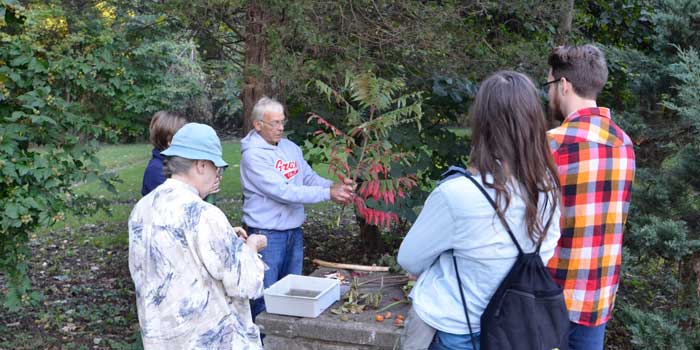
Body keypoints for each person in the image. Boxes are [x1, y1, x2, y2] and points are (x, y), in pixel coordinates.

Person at [397, 71, 562, 350]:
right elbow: (547, 247)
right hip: (516, 329)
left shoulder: (457, 194)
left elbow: (409, 260)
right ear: (534, 121)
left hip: (458, 330)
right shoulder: (548, 188)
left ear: (482, 124)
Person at [128, 122, 268, 349]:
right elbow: (245, 284)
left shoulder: (142, 209)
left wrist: (226, 238)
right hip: (208, 339)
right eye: (217, 169)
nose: (217, 176)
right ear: (201, 165)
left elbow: (169, 255)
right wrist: (251, 247)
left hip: (162, 338)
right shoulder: (205, 215)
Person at [544, 44, 636, 350]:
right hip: (598, 296)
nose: (549, 95)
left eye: (549, 85)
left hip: (549, 295)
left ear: (564, 85)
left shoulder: (552, 144)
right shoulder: (624, 143)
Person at [240, 96, 354, 318]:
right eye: (275, 123)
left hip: (293, 233)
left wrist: (335, 186)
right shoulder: (253, 156)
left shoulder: (290, 148)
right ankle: (260, 342)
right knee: (264, 298)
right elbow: (284, 192)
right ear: (258, 125)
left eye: (282, 122)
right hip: (266, 236)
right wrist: (328, 194)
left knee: (292, 296)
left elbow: (309, 178)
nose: (281, 128)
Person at [141, 111, 187, 196]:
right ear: (169, 140)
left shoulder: (177, 163)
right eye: (185, 136)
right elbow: (176, 202)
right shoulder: (156, 170)